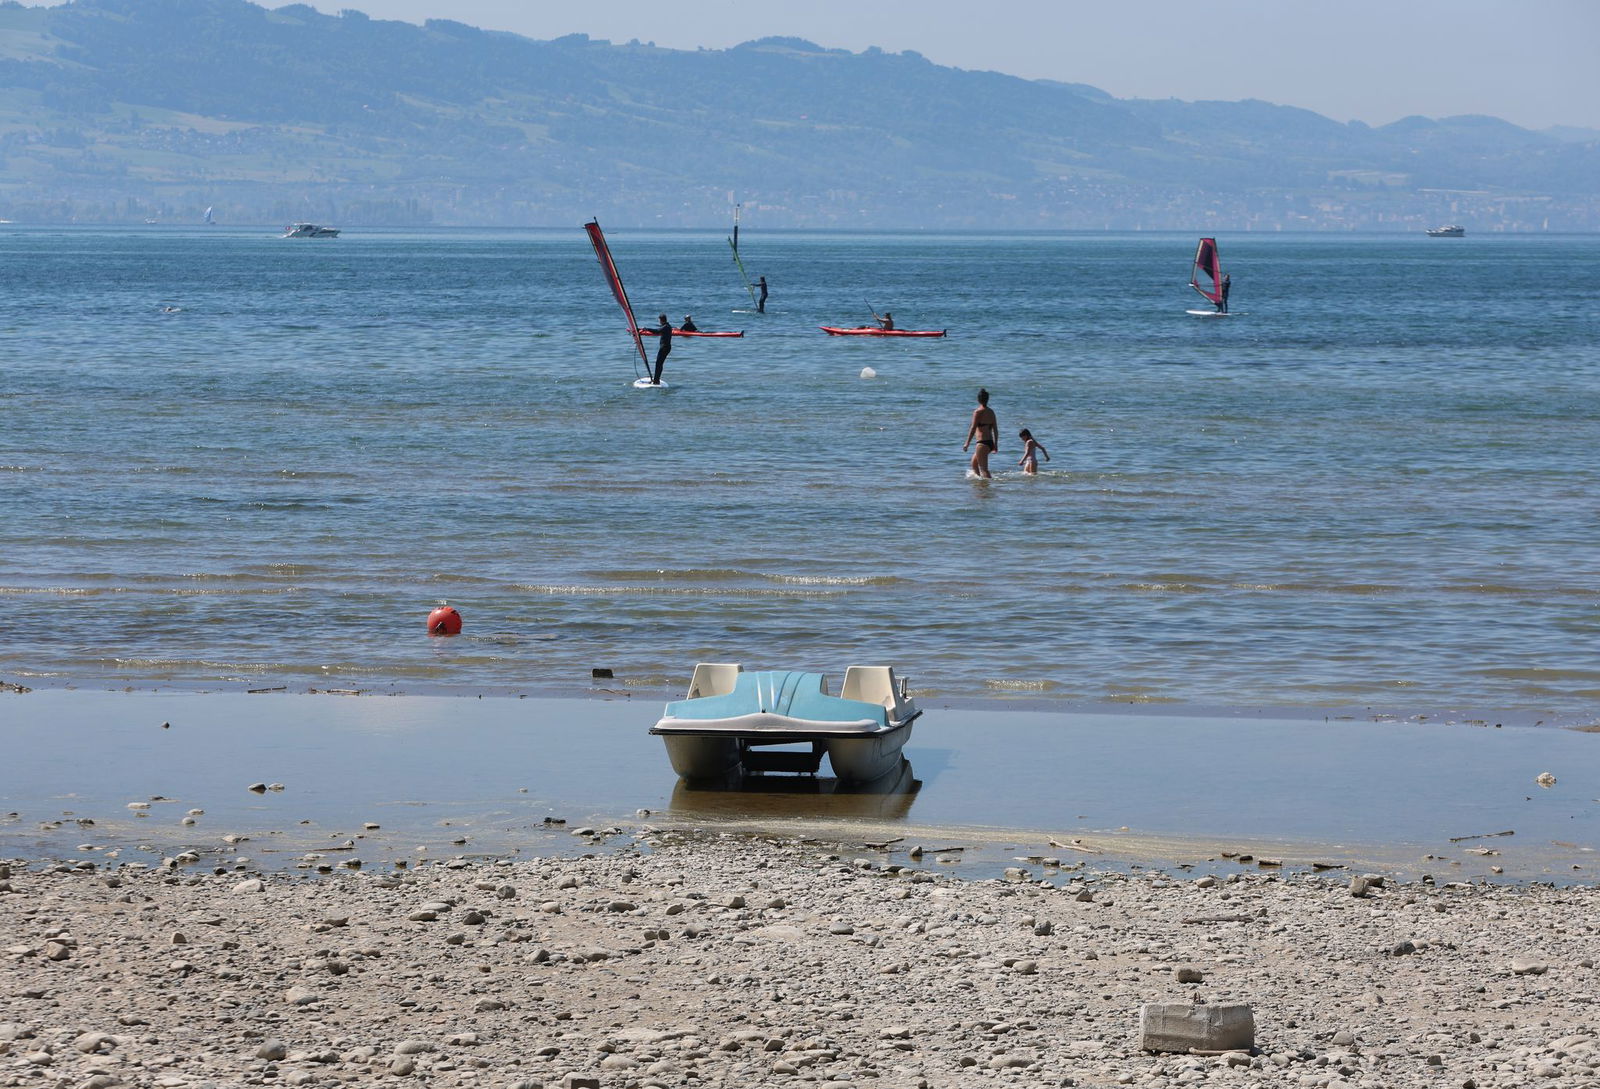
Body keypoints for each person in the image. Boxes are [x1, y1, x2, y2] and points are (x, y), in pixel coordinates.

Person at [962, 388, 998, 478]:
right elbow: (995, 429)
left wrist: (967, 443)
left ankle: (989, 485)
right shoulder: (991, 412)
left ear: (978, 399)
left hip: (982, 443)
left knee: (984, 469)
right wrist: (995, 444)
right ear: (987, 399)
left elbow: (973, 428)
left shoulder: (977, 412)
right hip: (989, 443)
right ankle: (981, 484)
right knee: (974, 463)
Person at [647, 313, 672, 384]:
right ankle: (656, 379)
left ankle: (656, 381)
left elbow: (657, 331)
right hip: (666, 347)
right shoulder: (667, 326)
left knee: (658, 364)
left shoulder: (666, 327)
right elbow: (658, 330)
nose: (659, 321)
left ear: (661, 320)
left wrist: (647, 329)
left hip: (664, 348)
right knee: (659, 364)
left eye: (659, 320)